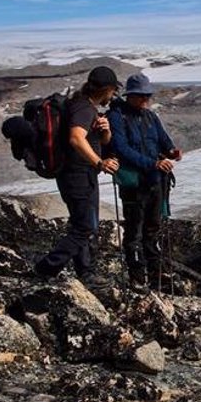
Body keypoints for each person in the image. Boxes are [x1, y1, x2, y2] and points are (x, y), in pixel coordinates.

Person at [34, 66, 121, 290]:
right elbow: (75, 138)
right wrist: (99, 163)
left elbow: (98, 141)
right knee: (85, 226)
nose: (112, 97)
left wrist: (105, 131)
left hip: (78, 174)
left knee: (81, 223)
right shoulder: (83, 108)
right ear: (107, 89)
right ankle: (48, 266)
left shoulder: (83, 106)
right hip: (78, 175)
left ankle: (86, 271)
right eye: (112, 91)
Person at [107, 73, 182, 290]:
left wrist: (171, 151)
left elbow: (164, 141)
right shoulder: (117, 116)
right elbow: (121, 149)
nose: (145, 100)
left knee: (153, 228)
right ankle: (137, 277)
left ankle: (156, 274)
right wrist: (153, 164)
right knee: (134, 230)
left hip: (155, 181)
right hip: (134, 183)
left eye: (147, 96)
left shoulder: (150, 117)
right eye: (141, 96)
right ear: (129, 95)